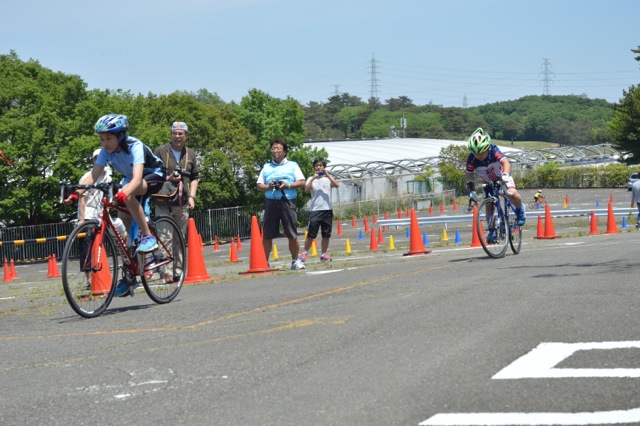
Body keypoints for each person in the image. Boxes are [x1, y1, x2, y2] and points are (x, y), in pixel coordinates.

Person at [83, 114, 165, 296]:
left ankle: (148, 236)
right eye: (102, 139)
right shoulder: (105, 152)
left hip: (153, 175)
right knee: (123, 232)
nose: (105, 143)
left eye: (109, 138)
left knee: (127, 196)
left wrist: (125, 192)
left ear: (120, 136)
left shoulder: (134, 146)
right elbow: (94, 174)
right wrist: (76, 192)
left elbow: (137, 178)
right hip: (130, 179)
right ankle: (129, 276)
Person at [154, 121, 199, 281]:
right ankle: (166, 271)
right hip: (163, 200)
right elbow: (151, 173)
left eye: (181, 134)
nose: (177, 136)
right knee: (165, 236)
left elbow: (195, 177)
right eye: (175, 133)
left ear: (186, 136)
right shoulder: (160, 151)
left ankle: (178, 271)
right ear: (171, 134)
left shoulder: (191, 153)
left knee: (179, 237)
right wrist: (168, 177)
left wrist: (192, 197)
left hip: (182, 201)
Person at [465, 128, 525, 243]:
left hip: (502, 177)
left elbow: (505, 162)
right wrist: (471, 188)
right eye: (476, 153)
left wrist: (506, 175)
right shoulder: (471, 158)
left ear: (487, 147)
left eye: (482, 152)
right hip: (488, 182)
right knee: (489, 205)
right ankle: (492, 231)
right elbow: (469, 174)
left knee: (512, 193)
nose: (479, 156)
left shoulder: (494, 150)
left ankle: (520, 210)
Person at [256, 139, 306, 270]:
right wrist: (269, 186)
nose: (275, 151)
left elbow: (301, 182)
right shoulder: (266, 167)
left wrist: (287, 185)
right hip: (271, 202)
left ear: (284, 151)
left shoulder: (293, 165)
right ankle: (264, 262)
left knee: (291, 233)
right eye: (273, 148)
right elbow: (259, 185)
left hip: (287, 202)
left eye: (278, 148)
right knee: (267, 234)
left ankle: (295, 261)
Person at [300, 158, 339, 263]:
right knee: (311, 233)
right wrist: (313, 179)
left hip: (327, 209)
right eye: (317, 165)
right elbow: (306, 190)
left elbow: (337, 185)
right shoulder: (310, 179)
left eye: (321, 165)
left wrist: (328, 175)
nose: (319, 167)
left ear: (324, 167)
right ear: (314, 167)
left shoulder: (328, 179)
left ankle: (323, 254)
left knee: (326, 234)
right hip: (315, 210)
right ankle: (305, 253)